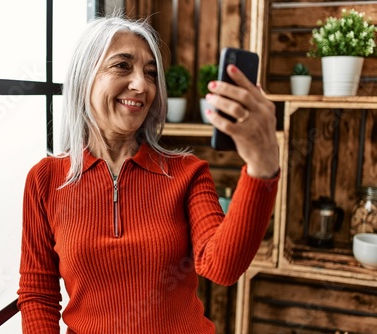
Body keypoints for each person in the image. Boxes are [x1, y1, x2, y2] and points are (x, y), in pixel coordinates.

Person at [17, 13, 279, 334]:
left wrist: (262, 168)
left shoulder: (187, 172)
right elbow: (38, 293)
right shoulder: (45, 180)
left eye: (151, 73)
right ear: (84, 77)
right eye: (122, 66)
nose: (141, 85)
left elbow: (221, 267)